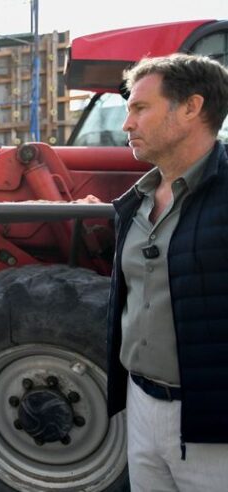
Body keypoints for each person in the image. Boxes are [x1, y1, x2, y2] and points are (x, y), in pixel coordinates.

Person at [107, 54, 228, 491]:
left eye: (140, 108)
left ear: (191, 108)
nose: (127, 124)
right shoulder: (134, 203)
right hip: (141, 406)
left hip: (211, 423)